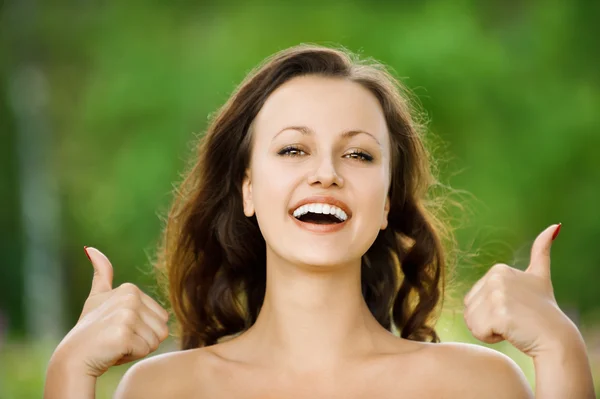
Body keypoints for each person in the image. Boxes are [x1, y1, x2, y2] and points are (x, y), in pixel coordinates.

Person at [44, 44, 595, 398]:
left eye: (358, 155)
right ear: (249, 189)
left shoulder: (480, 385)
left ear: (385, 204)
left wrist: (561, 348)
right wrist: (70, 370)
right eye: (292, 151)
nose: (326, 174)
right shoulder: (162, 389)